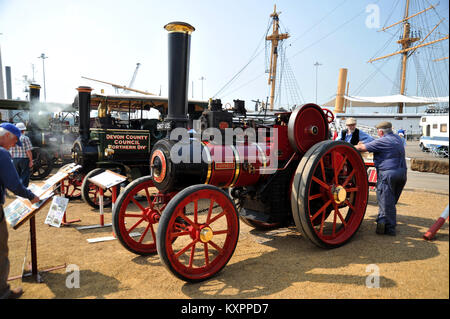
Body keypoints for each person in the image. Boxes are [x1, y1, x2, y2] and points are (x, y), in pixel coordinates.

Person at [0, 123, 40, 299]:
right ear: (6, 135)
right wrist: (31, 196)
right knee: (1, 251)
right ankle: (3, 292)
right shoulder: (1, 153)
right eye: (14, 141)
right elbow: (15, 184)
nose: (13, 146)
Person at [355, 121, 407, 236]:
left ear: (381, 131)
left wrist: (350, 146)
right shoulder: (397, 138)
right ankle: (381, 223)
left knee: (386, 202)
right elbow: (375, 143)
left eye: (378, 131)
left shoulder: (382, 140)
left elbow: (362, 148)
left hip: (388, 174)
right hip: (402, 173)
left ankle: (389, 229)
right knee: (390, 201)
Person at [9, 122, 33, 187]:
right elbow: (28, 151)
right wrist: (31, 161)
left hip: (14, 159)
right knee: (24, 175)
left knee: (17, 175)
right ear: (23, 130)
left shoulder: (11, 137)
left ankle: (18, 190)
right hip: (24, 159)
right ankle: (23, 189)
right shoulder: (25, 138)